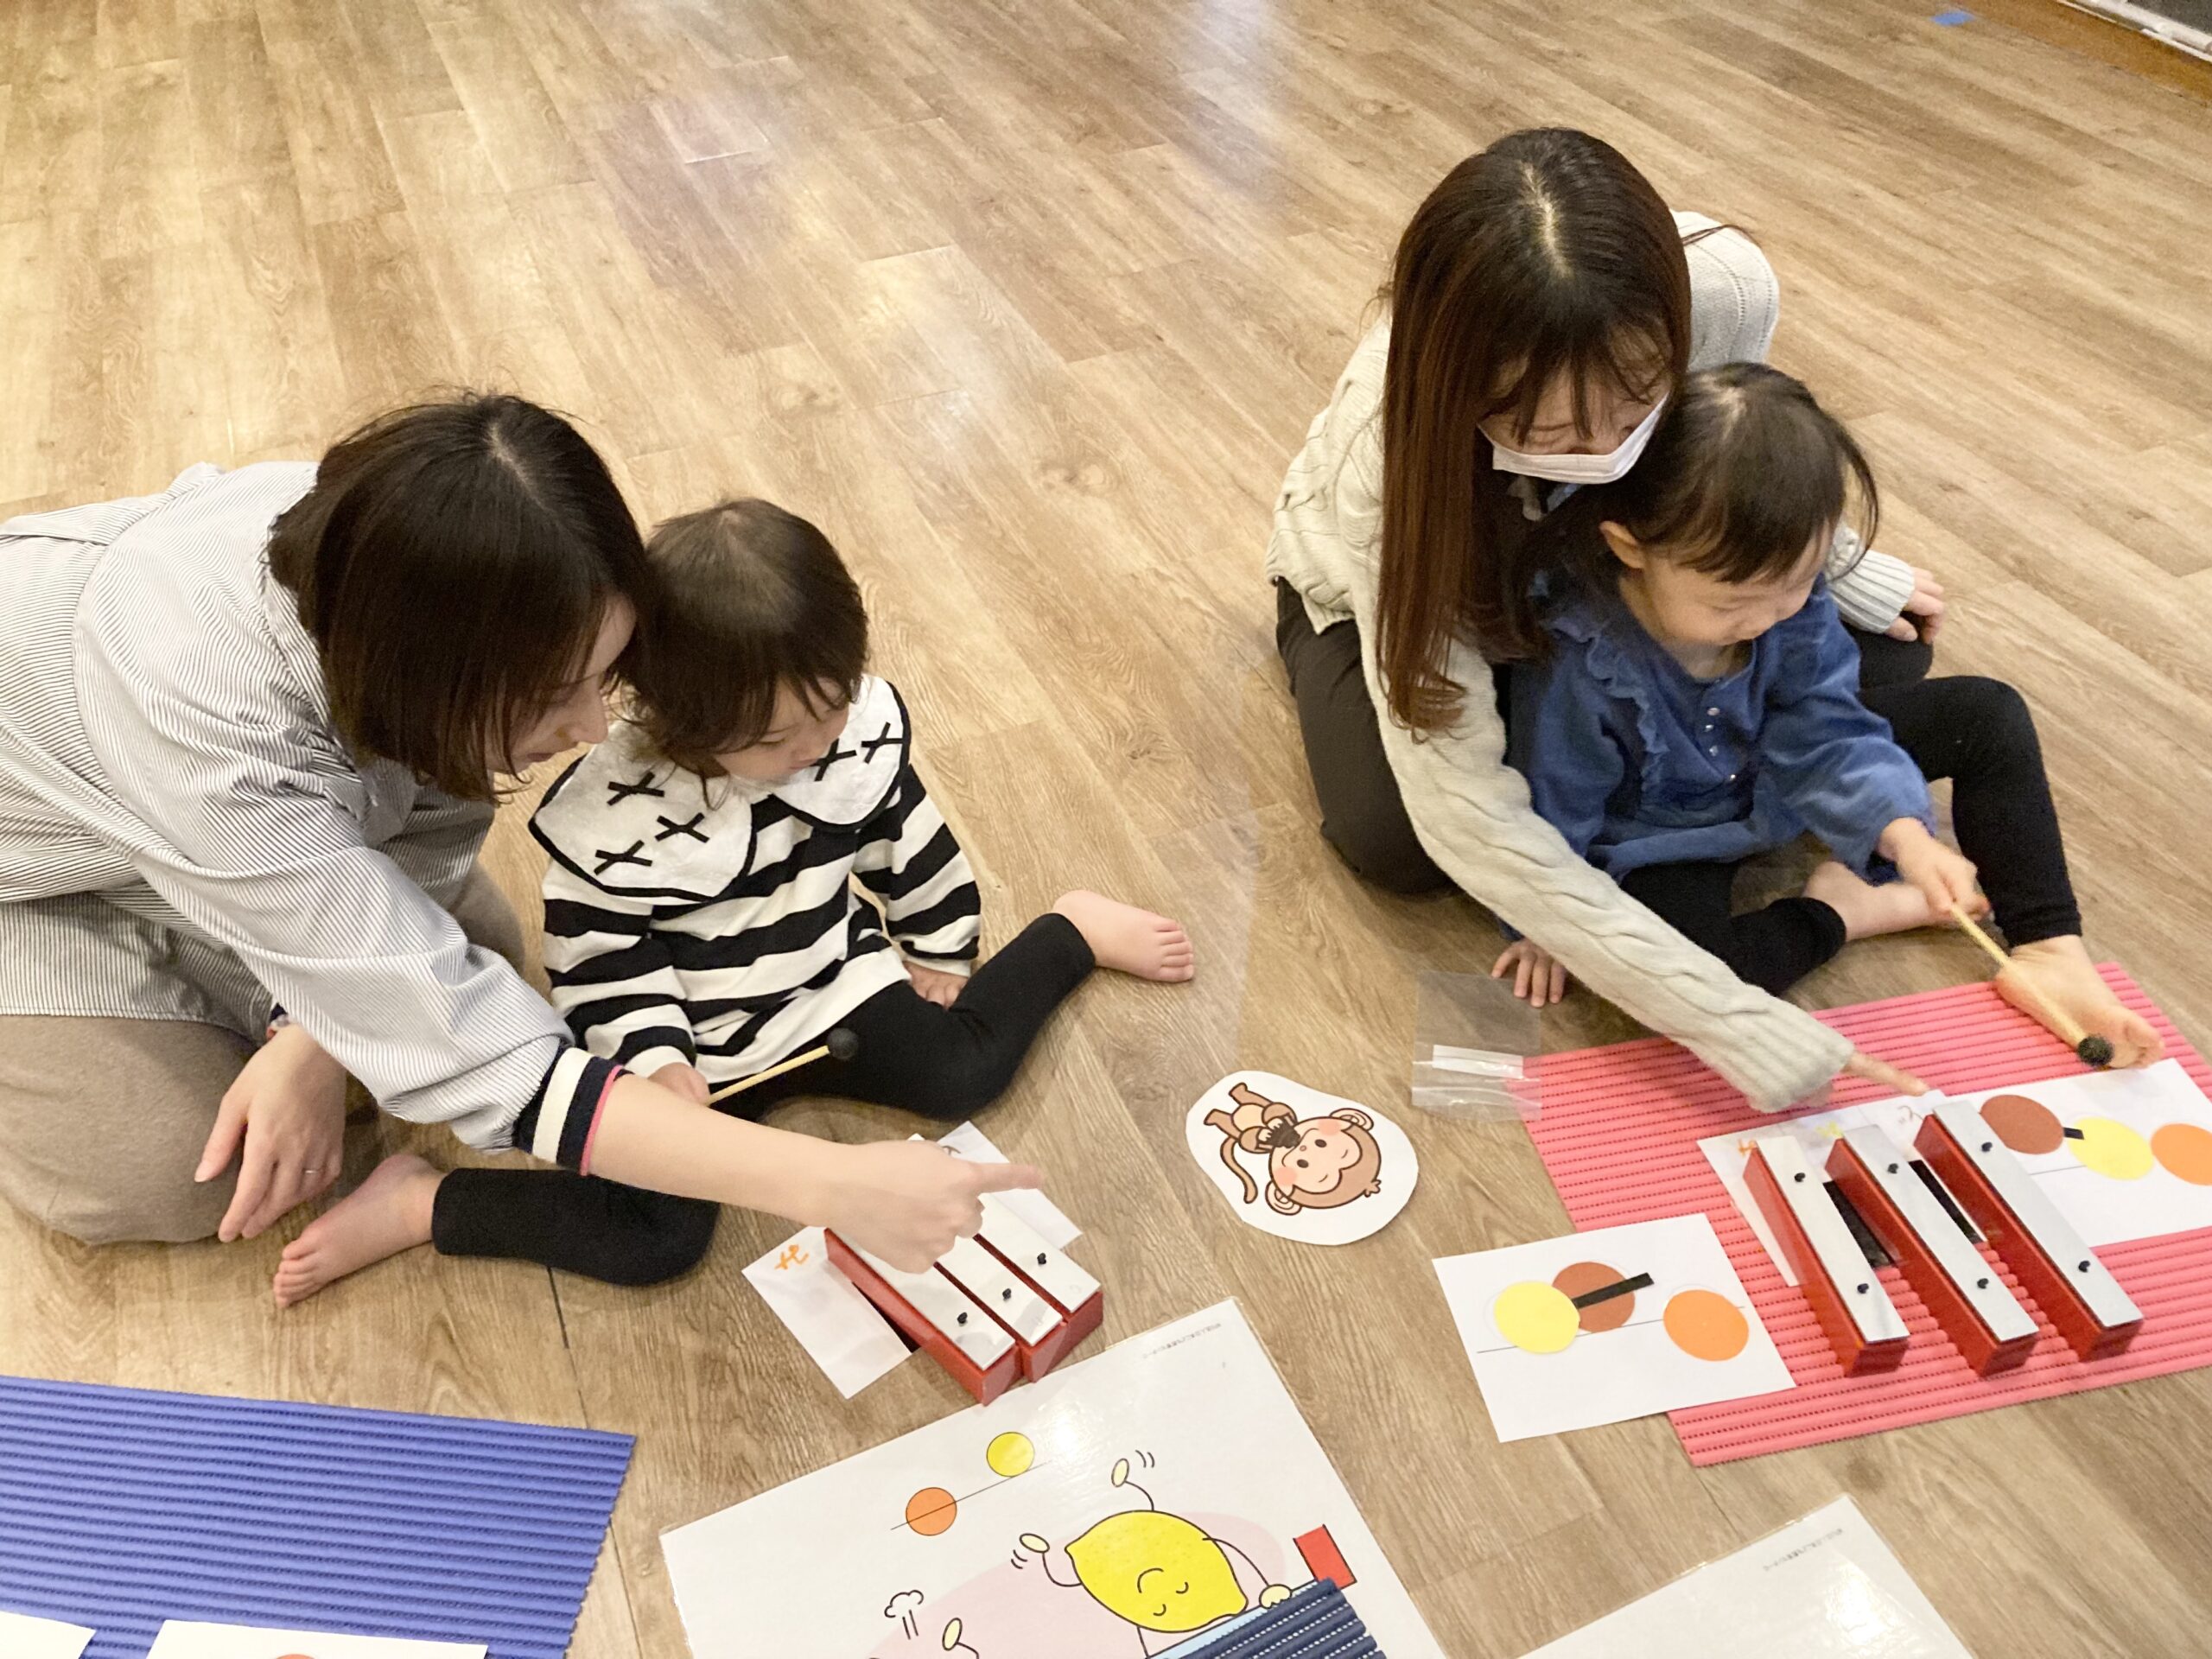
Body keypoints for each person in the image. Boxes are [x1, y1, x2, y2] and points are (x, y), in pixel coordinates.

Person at [0, 397, 1043, 1273]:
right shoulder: (205, 712)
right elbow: (484, 1057)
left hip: (199, 825)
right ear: (427, 678)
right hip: (36, 871)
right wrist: (832, 1183)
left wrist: (311, 1028)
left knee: (472, 979)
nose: (591, 732)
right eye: (553, 697)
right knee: (180, 1170)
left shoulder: (415, 582)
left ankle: (284, 990)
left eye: (605, 677)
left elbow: (427, 876)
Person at [274, 499, 1194, 1301]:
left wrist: (936, 950)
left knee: (962, 1072)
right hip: (704, 1055)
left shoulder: (846, 738)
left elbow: (908, 845)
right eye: (774, 737)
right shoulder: (618, 818)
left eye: (832, 710)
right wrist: (657, 1056)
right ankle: (425, 1202)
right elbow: (601, 962)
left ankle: (1070, 930)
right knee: (654, 1239)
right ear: (674, 720)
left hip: (834, 991)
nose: (815, 746)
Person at [1269, 127, 1945, 1110]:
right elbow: (1467, 815)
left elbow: (1736, 459)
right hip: (1411, 581)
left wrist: (1829, 569)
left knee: (1874, 669)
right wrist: (1728, 1017)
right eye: (1548, 433)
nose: (1602, 450)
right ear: (1465, 396)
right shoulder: (1387, 457)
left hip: (1598, 566)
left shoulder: (1725, 290)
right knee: (1402, 837)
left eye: (1633, 406)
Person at [1491, 365, 2163, 1070]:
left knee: (1987, 714)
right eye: (1730, 604)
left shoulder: (1785, 601)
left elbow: (1825, 725)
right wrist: (1548, 921)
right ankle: (1843, 910)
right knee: (1681, 981)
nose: (1763, 621)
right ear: (1631, 547)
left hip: (1775, 782)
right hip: (1662, 837)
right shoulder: (1578, 657)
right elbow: (1551, 805)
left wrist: (1907, 837)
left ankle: (2050, 947)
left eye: (1795, 587)